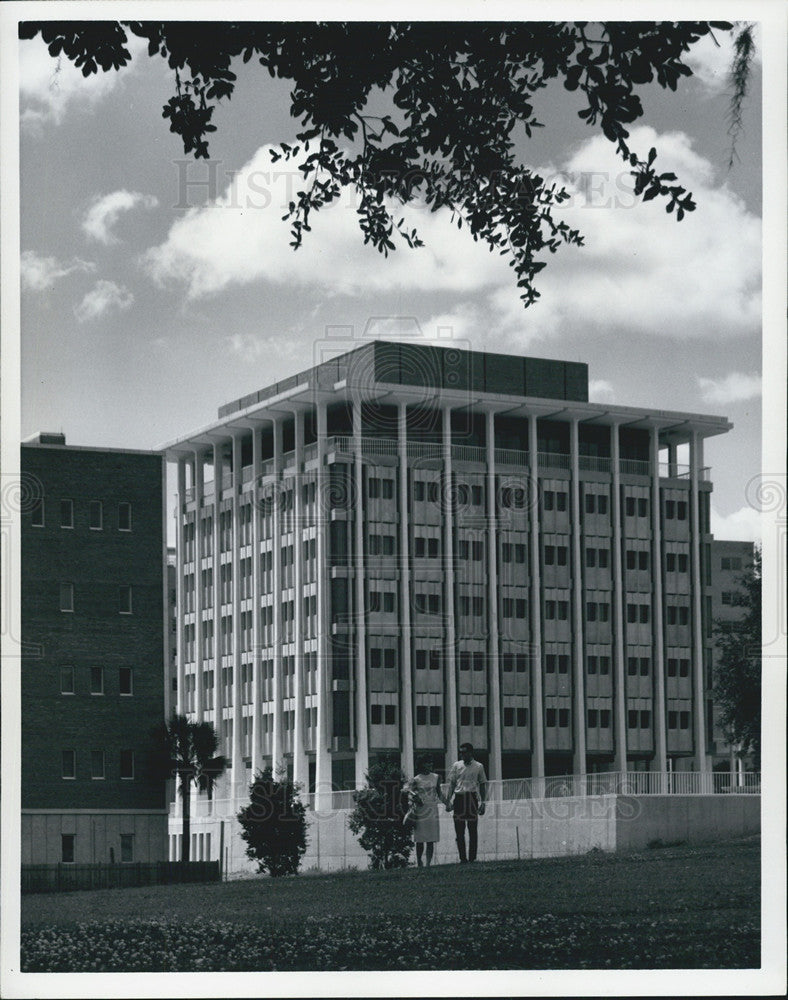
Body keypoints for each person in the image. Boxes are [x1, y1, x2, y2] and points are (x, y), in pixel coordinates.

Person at [446, 742, 487, 863]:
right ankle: (462, 858)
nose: (462, 754)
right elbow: (452, 783)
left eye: (464, 752)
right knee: (459, 830)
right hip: (459, 798)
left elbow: (482, 784)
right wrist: (448, 801)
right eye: (461, 752)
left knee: (472, 829)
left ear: (470, 752)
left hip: (471, 798)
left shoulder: (479, 766)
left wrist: (483, 802)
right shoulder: (456, 765)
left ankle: (472, 857)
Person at [406, 755, 447, 868]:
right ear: (422, 764)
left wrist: (447, 803)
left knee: (430, 838)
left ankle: (428, 863)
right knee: (420, 838)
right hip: (420, 810)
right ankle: (419, 861)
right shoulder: (416, 779)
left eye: (431, 763)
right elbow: (410, 793)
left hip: (432, 809)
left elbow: (439, 793)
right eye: (427, 763)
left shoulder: (436, 777)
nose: (430, 765)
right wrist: (414, 797)